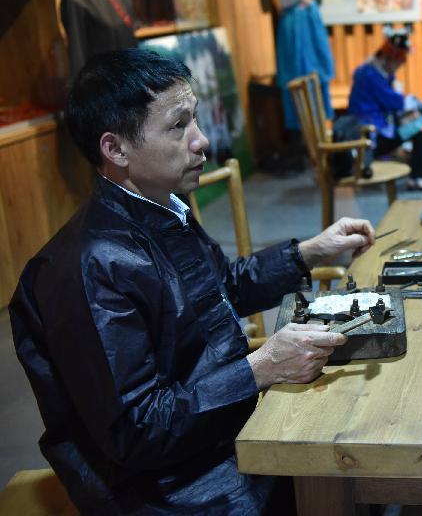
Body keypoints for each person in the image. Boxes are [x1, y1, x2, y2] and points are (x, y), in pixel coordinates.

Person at [9, 49, 376, 514]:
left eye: (195, 120)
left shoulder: (159, 208)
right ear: (115, 149)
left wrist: (306, 252)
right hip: (164, 487)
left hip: (216, 432)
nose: (201, 141)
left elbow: (221, 290)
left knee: (360, 440)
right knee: (351, 473)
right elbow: (135, 431)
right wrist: (260, 367)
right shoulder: (91, 269)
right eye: (178, 125)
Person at [347, 25, 422, 190]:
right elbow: (393, 101)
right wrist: (415, 104)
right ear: (391, 59)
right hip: (369, 135)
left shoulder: (374, 70)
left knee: (419, 122)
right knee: (419, 126)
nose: (398, 68)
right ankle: (421, 176)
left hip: (375, 126)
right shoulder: (370, 74)